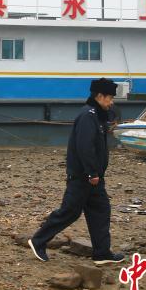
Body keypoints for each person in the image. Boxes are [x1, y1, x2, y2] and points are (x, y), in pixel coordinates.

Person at [28, 78, 125, 265]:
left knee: (101, 210)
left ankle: (102, 253)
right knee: (69, 212)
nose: (111, 102)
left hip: (94, 179)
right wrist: (92, 173)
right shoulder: (87, 116)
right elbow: (84, 147)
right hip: (83, 178)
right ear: (99, 96)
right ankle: (38, 241)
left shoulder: (97, 115)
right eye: (109, 98)